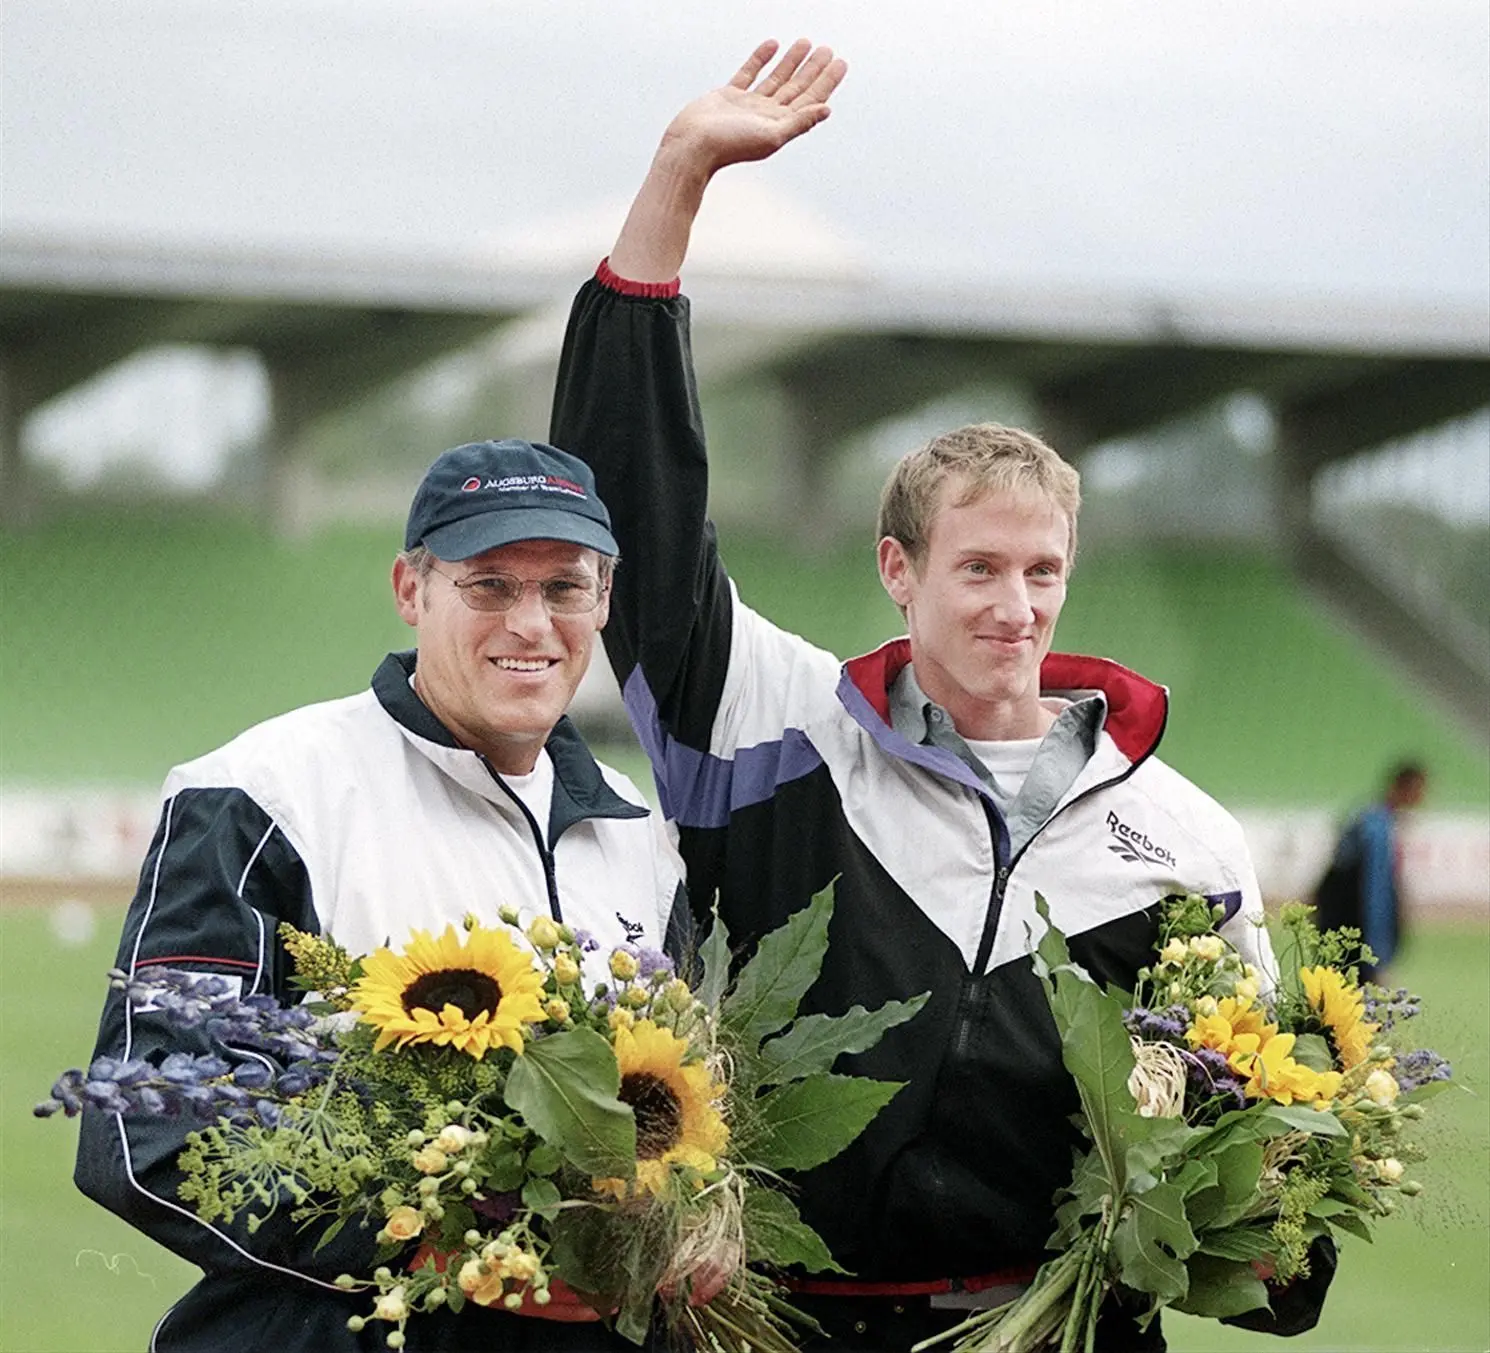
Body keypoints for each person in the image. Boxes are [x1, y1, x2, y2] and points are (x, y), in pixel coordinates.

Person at [551, 40, 1334, 1351]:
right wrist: (677, 181)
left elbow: (1247, 1129)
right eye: (977, 567)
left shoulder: (1182, 842)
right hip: (768, 1325)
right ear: (897, 568)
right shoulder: (773, 724)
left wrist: (1267, 1228)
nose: (1013, 607)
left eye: (1041, 571)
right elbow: (629, 515)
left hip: (1048, 1330)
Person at [75, 438, 690, 1351]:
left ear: (604, 600)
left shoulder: (643, 830)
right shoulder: (261, 794)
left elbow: (690, 1116)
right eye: (489, 585)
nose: (533, 623)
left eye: (565, 587)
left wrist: (693, 1228)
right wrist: (438, 1245)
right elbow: (148, 1125)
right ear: (412, 589)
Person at [1314, 760, 1428, 981]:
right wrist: (1378, 953)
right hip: (1354, 939)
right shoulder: (1377, 827)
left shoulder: (1366, 816)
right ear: (1406, 788)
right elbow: (1375, 893)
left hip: (1339, 933)